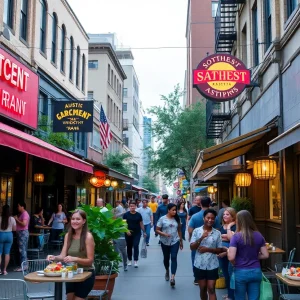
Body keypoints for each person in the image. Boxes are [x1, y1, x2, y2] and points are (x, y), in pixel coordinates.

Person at [47, 210, 95, 300]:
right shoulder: (68, 235)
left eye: (78, 219)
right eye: (73, 219)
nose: (75, 221)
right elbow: (63, 256)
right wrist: (54, 257)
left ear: (84, 221)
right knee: (69, 298)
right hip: (71, 274)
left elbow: (90, 261)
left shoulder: (88, 237)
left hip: (86, 274)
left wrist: (75, 259)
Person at [228, 210, 269, 300]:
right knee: (254, 298)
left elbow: (231, 257)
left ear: (239, 221)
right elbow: (266, 255)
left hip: (240, 271)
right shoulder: (259, 235)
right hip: (256, 271)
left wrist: (235, 262)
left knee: (240, 297)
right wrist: (254, 256)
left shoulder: (236, 237)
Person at [190, 209, 225, 300]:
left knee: (211, 288)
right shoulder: (197, 231)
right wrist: (201, 238)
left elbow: (220, 249)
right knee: (203, 288)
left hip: (212, 265)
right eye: (208, 218)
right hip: (199, 264)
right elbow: (192, 247)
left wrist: (208, 249)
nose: (210, 220)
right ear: (204, 218)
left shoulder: (217, 233)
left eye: (212, 218)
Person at [188, 196, 220, 285]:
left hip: (197, 244)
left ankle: (197, 278)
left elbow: (190, 230)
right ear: (209, 204)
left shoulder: (194, 216)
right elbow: (217, 230)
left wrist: (191, 238)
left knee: (195, 258)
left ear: (200, 204)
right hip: (212, 245)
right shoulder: (215, 217)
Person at [156, 203, 183, 287]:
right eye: (173, 210)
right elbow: (157, 230)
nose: (175, 212)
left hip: (175, 241)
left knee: (174, 257)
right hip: (164, 242)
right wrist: (164, 234)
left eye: (176, 210)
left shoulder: (177, 219)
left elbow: (179, 230)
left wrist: (181, 241)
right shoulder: (162, 219)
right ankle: (167, 270)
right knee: (166, 258)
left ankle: (172, 277)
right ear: (168, 210)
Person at [217, 208, 236, 300]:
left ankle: (232, 296)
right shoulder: (222, 226)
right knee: (226, 275)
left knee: (231, 274)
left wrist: (226, 236)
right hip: (221, 255)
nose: (224, 216)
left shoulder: (235, 226)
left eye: (227, 214)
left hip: (230, 254)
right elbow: (219, 238)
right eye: (224, 214)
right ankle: (229, 294)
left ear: (233, 216)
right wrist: (225, 237)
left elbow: (233, 240)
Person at [123, 201, 146, 268]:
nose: (132, 207)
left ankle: (136, 260)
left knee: (136, 245)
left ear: (135, 207)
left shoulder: (138, 215)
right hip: (128, 232)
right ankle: (129, 259)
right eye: (131, 206)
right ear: (129, 207)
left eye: (133, 206)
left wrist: (144, 231)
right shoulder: (126, 215)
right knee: (129, 246)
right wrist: (126, 230)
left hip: (137, 233)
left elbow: (141, 223)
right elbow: (123, 224)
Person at [13, 202, 30, 272]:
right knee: (23, 249)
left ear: (22, 207)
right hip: (21, 233)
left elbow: (24, 224)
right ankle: (24, 264)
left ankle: (24, 266)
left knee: (22, 250)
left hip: (22, 233)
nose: (18, 208)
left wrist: (16, 219)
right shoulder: (22, 214)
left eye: (19, 206)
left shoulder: (25, 214)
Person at [0, 204, 16, 275]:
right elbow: (14, 229)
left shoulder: (0, 218)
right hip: (9, 235)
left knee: (0, 253)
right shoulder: (12, 218)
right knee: (7, 253)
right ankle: (5, 270)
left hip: (1, 234)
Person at [113, 203, 128, 271]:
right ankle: (115, 266)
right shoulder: (110, 222)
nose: (113, 216)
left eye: (114, 215)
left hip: (122, 238)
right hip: (114, 239)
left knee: (123, 251)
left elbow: (125, 229)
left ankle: (125, 264)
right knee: (115, 253)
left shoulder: (122, 221)